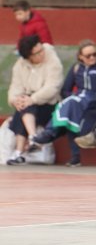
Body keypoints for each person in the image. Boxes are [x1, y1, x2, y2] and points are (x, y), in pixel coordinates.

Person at [33, 40, 96, 166]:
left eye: (94, 54)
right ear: (80, 57)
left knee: (71, 109)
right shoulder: (76, 68)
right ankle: (74, 156)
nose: (92, 58)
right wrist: (77, 96)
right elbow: (65, 90)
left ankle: (51, 133)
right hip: (79, 104)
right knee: (72, 109)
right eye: (88, 56)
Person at [6, 35, 63, 165]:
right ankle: (32, 141)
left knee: (26, 106)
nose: (41, 54)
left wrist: (32, 99)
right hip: (29, 105)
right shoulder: (20, 65)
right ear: (29, 57)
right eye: (37, 53)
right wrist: (15, 100)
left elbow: (53, 87)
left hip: (49, 105)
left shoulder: (52, 60)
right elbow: (15, 86)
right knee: (22, 107)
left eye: (41, 49)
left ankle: (20, 151)